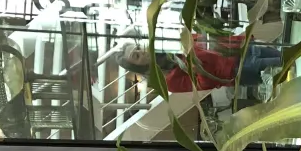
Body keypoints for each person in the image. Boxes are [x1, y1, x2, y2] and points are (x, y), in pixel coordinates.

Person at [117, 37, 283, 93]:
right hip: (236, 70)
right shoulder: (167, 80)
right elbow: (204, 84)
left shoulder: (165, 45)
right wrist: (194, 64)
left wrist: (244, 39)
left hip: (240, 50)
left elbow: (208, 41)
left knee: (288, 56)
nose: (142, 52)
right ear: (137, 66)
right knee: (285, 67)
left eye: (138, 48)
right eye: (136, 56)